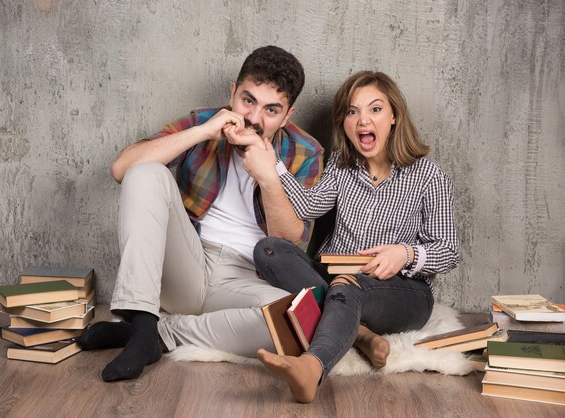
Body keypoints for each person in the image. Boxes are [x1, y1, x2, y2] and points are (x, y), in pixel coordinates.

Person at [76, 46, 324, 382]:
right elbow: (122, 168)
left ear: (287, 115)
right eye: (247, 100)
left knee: (298, 322)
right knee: (145, 172)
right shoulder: (203, 122)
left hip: (247, 279)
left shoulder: (306, 152)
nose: (253, 118)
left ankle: (153, 332)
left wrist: (268, 175)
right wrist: (204, 132)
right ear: (232, 92)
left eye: (271, 109)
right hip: (187, 264)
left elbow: (290, 241)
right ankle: (142, 317)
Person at [247, 70, 460, 403]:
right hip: (335, 278)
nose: (363, 119)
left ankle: (311, 367)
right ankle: (360, 334)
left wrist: (404, 254)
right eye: (352, 111)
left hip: (401, 292)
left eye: (375, 109)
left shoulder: (428, 174)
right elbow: (307, 207)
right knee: (269, 250)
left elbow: (448, 251)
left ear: (393, 117)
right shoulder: (342, 165)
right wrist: (273, 165)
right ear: (344, 122)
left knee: (346, 286)